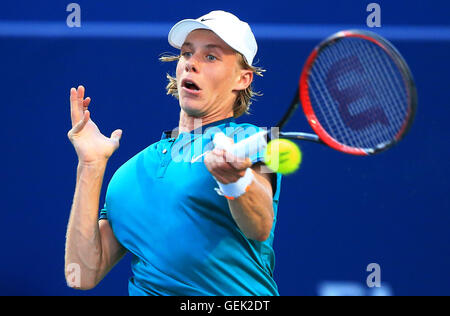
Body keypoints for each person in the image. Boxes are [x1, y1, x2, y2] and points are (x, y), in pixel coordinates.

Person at [65, 10, 282, 296]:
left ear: (243, 79)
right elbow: (82, 274)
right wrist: (90, 166)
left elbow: (260, 226)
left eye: (211, 57)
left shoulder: (250, 140)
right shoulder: (130, 172)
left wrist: (235, 180)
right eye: (187, 54)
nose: (192, 64)